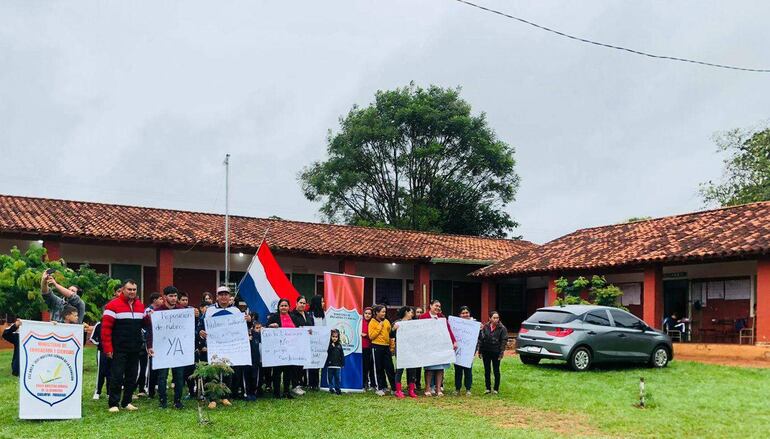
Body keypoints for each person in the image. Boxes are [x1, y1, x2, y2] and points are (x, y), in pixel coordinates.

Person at [102, 279, 145, 412]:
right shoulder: (112, 305)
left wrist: (151, 317)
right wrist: (108, 348)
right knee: (117, 375)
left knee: (132, 376)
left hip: (135, 348)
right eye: (129, 289)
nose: (132, 292)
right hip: (119, 348)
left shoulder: (140, 305)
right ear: (123, 290)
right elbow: (106, 329)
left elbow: (144, 324)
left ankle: (127, 402)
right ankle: (114, 404)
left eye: (134, 290)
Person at [200, 285, 245, 407]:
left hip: (229, 346)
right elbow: (201, 325)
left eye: (226, 294)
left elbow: (241, 329)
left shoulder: (236, 311)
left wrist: (248, 320)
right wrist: (201, 332)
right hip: (213, 345)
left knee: (227, 371)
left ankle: (225, 397)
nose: (224, 297)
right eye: (221, 294)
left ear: (230, 296)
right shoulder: (209, 310)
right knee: (212, 372)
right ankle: (212, 399)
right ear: (217, 297)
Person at [146, 286, 186, 409]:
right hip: (162, 348)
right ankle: (162, 401)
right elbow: (150, 330)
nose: (174, 298)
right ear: (165, 297)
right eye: (171, 296)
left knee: (179, 376)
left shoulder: (182, 311)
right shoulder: (157, 312)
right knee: (162, 376)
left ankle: (178, 401)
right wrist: (149, 346)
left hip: (178, 348)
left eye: (175, 296)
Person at [419, 300, 457, 397]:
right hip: (429, 347)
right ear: (430, 306)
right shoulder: (423, 317)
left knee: (440, 368)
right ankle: (427, 388)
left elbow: (448, 330)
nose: (438, 308)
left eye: (439, 306)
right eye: (436, 305)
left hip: (441, 346)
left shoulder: (442, 317)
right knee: (429, 368)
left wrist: (454, 341)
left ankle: (438, 389)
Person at [266, 298, 298, 399]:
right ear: (278, 307)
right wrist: (270, 326)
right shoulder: (273, 317)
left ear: (289, 307)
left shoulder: (293, 317)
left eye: (286, 306)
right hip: (277, 350)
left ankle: (286, 392)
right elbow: (265, 328)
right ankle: (276, 392)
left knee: (288, 372)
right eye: (282, 306)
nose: (284, 307)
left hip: (290, 349)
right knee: (277, 372)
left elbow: (299, 330)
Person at [139, 292, 164, 398]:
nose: (162, 301)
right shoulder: (148, 311)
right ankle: (147, 387)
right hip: (150, 341)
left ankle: (156, 385)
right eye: (160, 299)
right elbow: (144, 327)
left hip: (159, 341)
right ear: (154, 300)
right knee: (150, 366)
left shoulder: (161, 311)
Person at [391, 306, 418, 398]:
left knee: (412, 370)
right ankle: (398, 390)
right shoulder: (397, 323)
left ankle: (411, 390)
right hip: (401, 350)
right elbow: (391, 335)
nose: (412, 314)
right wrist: (393, 329)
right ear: (406, 312)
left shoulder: (413, 323)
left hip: (411, 349)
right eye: (411, 312)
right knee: (399, 370)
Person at [368, 305, 395, 396]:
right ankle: (379, 387)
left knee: (390, 368)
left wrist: (391, 347)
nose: (384, 313)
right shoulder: (372, 322)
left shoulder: (387, 321)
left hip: (386, 347)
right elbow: (371, 336)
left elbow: (390, 334)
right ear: (377, 313)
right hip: (376, 346)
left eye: (385, 312)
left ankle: (394, 388)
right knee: (378, 368)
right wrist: (379, 327)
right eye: (382, 312)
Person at [478, 310, 507, 395]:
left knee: (496, 370)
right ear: (490, 318)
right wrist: (480, 351)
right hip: (486, 351)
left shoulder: (502, 328)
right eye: (494, 318)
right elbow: (481, 339)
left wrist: (501, 353)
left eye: (497, 318)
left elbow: (504, 341)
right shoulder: (485, 327)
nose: (496, 319)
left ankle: (496, 389)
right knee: (487, 370)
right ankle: (487, 388)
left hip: (496, 351)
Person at [290, 296, 314, 395]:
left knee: (301, 365)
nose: (302, 305)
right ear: (296, 303)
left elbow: (311, 327)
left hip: (305, 344)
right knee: (295, 366)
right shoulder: (292, 315)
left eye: (304, 303)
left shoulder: (308, 315)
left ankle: (299, 384)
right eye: (300, 302)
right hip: (295, 344)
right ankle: (295, 385)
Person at [454, 306, 476, 396]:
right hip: (458, 351)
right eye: (463, 313)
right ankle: (457, 388)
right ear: (459, 315)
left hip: (469, 352)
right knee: (458, 371)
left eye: (466, 313)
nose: (465, 314)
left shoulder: (474, 324)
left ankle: (468, 389)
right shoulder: (456, 324)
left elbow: (478, 338)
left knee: (468, 371)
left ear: (469, 314)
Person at [307, 295, 326, 391]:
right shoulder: (309, 314)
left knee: (318, 363)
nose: (324, 303)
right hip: (311, 343)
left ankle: (316, 383)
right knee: (311, 364)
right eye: (322, 301)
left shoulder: (324, 314)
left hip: (321, 343)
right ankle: (310, 383)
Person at [89, 317, 111, 400]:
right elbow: (92, 338)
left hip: (113, 352)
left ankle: (109, 392)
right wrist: (100, 345)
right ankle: (98, 392)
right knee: (101, 372)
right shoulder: (99, 325)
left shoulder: (115, 324)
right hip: (102, 352)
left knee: (111, 372)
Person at [325, 329, 344, 395]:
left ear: (338, 337)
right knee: (330, 378)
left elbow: (342, 355)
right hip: (330, 365)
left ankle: (338, 389)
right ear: (330, 337)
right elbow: (327, 353)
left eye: (336, 337)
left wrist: (342, 363)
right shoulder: (328, 345)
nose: (334, 338)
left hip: (337, 366)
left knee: (337, 378)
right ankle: (331, 388)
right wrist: (331, 347)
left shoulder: (339, 345)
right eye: (333, 336)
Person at [361, 307, 376, 391]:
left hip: (371, 347)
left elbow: (374, 335)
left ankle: (373, 384)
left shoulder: (373, 323)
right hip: (362, 348)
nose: (367, 315)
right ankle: (364, 383)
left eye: (369, 313)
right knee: (364, 367)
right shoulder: (360, 322)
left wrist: (366, 335)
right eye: (366, 313)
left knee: (372, 367)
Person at [413, 306, 424, 391]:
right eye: (418, 312)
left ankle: (418, 383)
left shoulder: (424, 322)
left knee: (419, 367)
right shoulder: (411, 322)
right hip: (413, 347)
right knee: (413, 367)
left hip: (421, 347)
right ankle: (412, 383)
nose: (419, 314)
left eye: (421, 312)